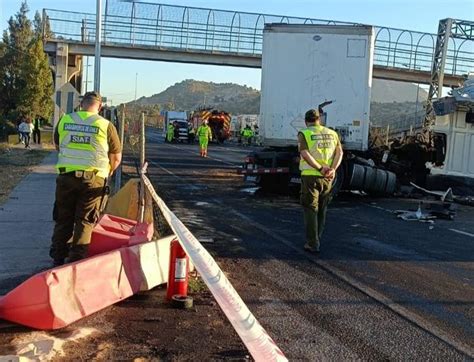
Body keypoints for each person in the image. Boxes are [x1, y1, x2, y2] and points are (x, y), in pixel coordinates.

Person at [50, 91, 122, 266]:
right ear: (100, 106)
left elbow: (58, 146)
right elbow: (116, 156)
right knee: (85, 220)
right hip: (93, 180)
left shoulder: (65, 120)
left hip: (66, 177)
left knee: (63, 218)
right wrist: (108, 172)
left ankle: (58, 257)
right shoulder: (105, 125)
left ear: (81, 104)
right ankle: (76, 261)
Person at [298, 108, 343, 253]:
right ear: (319, 119)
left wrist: (319, 168)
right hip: (328, 178)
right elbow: (339, 153)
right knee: (322, 209)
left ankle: (312, 243)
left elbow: (305, 154)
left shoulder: (305, 133)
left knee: (311, 208)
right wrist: (333, 169)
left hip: (311, 176)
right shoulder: (332, 133)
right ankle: (317, 237)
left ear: (306, 121)